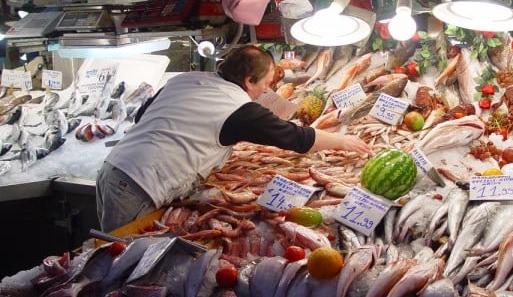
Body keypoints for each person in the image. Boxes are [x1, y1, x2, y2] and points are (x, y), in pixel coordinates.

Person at [96, 45, 371, 232]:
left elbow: (142, 115)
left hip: (113, 169)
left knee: (118, 252)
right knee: (126, 262)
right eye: (265, 84)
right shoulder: (238, 108)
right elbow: (296, 138)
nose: (266, 90)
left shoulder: (185, 79)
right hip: (139, 184)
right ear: (250, 80)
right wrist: (344, 141)